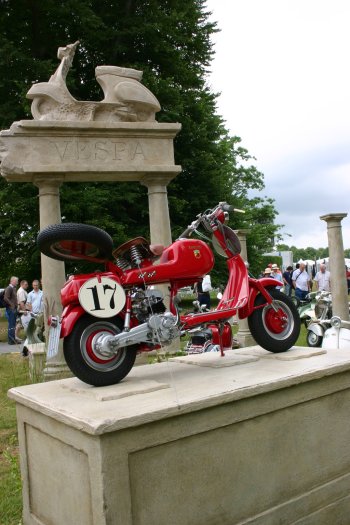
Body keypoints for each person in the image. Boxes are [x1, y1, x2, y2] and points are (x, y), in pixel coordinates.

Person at [4, 276, 20, 344]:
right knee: (11, 325)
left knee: (13, 324)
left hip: (14, 309)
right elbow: (5, 298)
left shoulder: (13, 288)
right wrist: (12, 305)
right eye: (16, 281)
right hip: (11, 309)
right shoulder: (9, 288)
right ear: (12, 281)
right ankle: (11, 340)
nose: (17, 283)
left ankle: (13, 339)